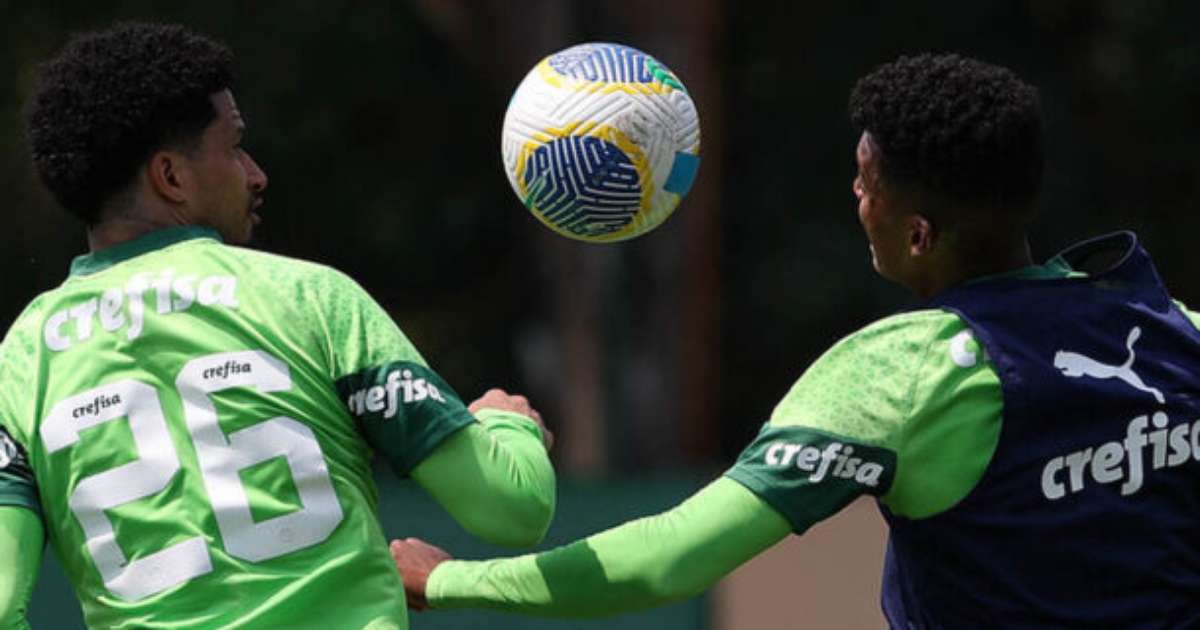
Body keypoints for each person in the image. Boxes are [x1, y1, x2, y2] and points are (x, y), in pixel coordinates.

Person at [391, 53, 1200, 626]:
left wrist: (455, 579)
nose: (855, 196)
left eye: (865, 183)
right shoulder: (1174, 329)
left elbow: (670, 559)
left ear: (919, 234)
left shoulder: (904, 374)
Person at [0, 22, 556, 629]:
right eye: (234, 147)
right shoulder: (312, 299)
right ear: (171, 177)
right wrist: (510, 424)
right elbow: (512, 507)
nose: (256, 172)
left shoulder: (21, 360)